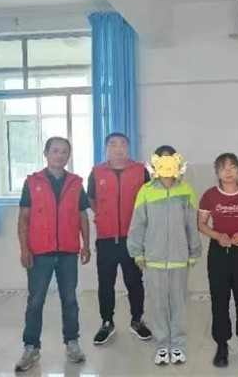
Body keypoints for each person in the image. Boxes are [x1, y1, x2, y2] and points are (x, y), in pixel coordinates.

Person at [15, 137, 91, 372]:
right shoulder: (32, 182)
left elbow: (82, 216)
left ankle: (72, 343)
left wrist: (86, 245)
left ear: (69, 155)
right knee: (35, 301)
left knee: (70, 300)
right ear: (46, 154)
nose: (60, 155)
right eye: (55, 150)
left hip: (68, 252)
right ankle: (31, 347)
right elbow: (23, 219)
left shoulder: (76, 183)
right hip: (40, 253)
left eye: (65, 151)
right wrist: (24, 248)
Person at [127, 145, 202, 366]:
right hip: (154, 259)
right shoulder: (146, 191)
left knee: (178, 304)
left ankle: (177, 345)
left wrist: (193, 251)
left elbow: (192, 225)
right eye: (163, 160)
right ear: (155, 164)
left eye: (170, 160)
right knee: (158, 304)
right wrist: (137, 252)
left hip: (179, 259)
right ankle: (162, 345)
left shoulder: (186, 190)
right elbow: (138, 224)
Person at [198, 153, 238, 367]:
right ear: (217, 172)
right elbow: (201, 224)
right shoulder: (209, 195)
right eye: (223, 168)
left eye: (232, 167)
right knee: (219, 298)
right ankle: (222, 345)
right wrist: (218, 236)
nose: (228, 172)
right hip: (219, 252)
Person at [87, 132, 152, 345]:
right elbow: (92, 200)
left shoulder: (140, 171)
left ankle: (137, 320)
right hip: (106, 239)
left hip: (132, 238)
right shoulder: (96, 172)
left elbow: (148, 201)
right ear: (106, 149)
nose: (118, 149)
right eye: (113, 145)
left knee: (134, 281)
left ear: (128, 148)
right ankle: (107, 322)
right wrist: (104, 217)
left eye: (123, 144)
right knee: (105, 283)